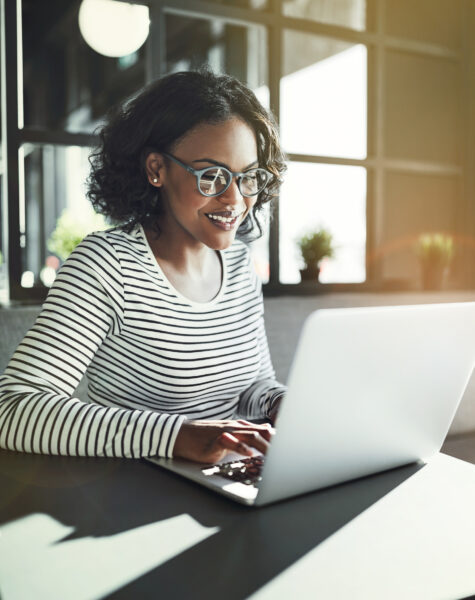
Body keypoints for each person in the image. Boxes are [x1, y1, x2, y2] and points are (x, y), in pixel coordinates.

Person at [0, 68, 287, 464]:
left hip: (227, 481)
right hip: (129, 495)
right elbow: (14, 409)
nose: (234, 200)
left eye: (247, 178)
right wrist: (176, 437)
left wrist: (281, 404)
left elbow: (251, 385)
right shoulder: (105, 265)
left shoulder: (238, 265)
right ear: (157, 169)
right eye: (212, 177)